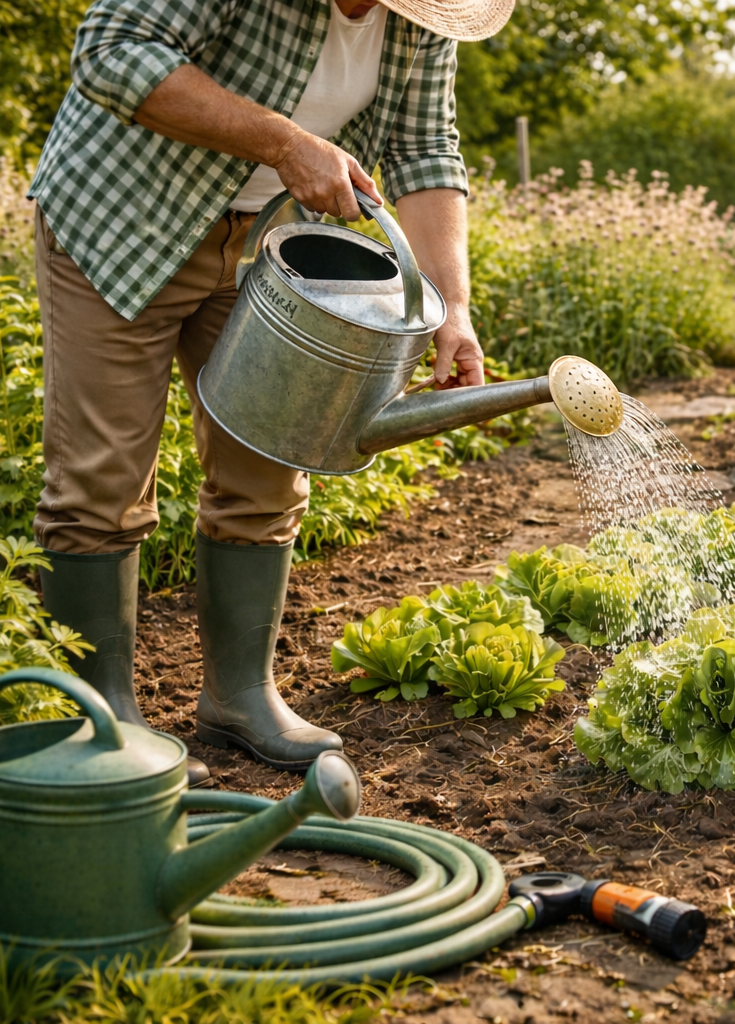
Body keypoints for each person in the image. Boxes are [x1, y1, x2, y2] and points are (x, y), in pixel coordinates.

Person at [28, 0, 510, 785]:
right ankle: (104, 717)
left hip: (265, 244)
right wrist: (285, 143)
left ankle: (240, 696)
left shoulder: (423, 24)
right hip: (120, 222)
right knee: (101, 477)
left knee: (266, 464)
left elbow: (426, 150)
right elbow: (111, 51)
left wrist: (452, 309)